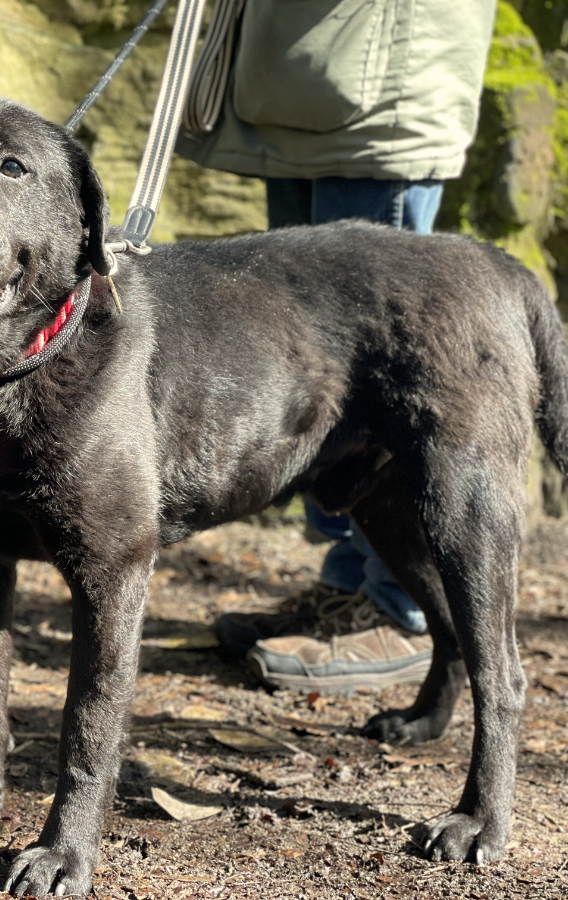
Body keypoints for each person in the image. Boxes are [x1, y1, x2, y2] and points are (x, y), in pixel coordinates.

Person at [176, 0, 498, 691]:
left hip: (385, 76)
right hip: (307, 75)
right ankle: (349, 584)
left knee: (394, 401)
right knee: (316, 373)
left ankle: (402, 606)